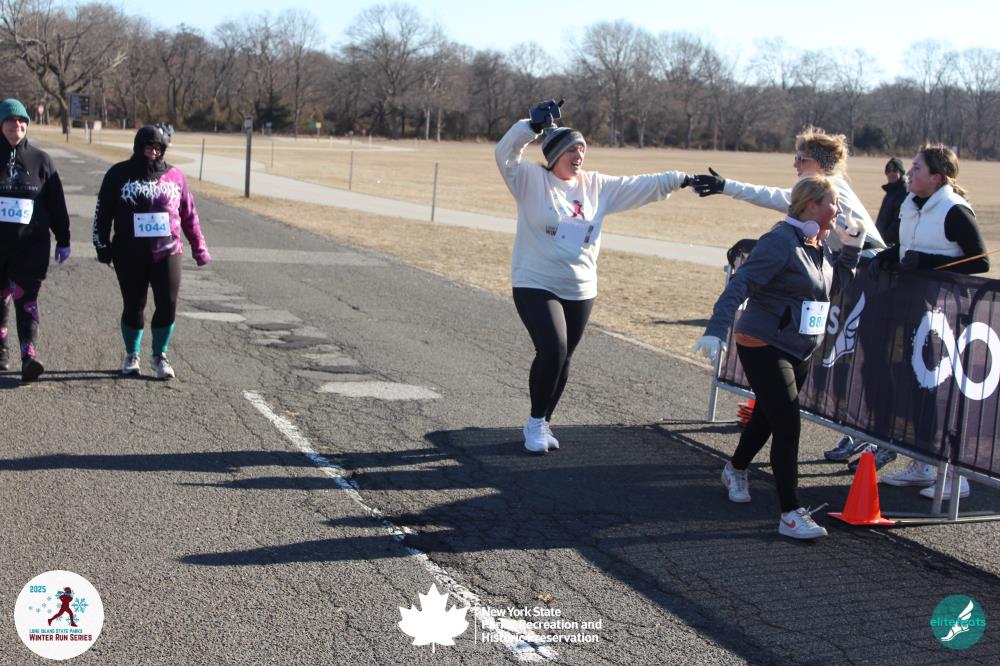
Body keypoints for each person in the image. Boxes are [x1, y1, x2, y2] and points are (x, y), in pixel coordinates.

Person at [691, 127, 894, 470]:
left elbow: (774, 196)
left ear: (821, 164)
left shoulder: (830, 190)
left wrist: (726, 186)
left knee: (865, 365)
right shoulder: (816, 198)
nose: (796, 165)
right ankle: (856, 433)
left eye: (802, 159)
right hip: (848, 287)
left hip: (872, 289)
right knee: (828, 375)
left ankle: (877, 438)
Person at [496, 99, 690, 454]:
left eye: (583, 149)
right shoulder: (530, 180)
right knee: (552, 349)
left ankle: (544, 421)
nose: (579, 155)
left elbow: (641, 185)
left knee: (564, 357)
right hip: (535, 281)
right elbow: (505, 154)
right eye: (572, 149)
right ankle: (535, 423)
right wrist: (530, 127)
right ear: (555, 154)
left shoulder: (595, 185)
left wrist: (683, 179)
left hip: (580, 287)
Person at [694, 175, 866, 539]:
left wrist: (851, 249)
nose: (839, 210)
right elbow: (741, 283)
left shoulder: (818, 243)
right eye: (834, 203)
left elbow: (833, 289)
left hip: (798, 346)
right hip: (762, 341)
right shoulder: (780, 242)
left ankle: (735, 468)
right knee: (788, 425)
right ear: (811, 205)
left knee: (767, 418)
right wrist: (716, 327)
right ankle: (790, 513)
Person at [873, 145, 989, 501]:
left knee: (942, 393)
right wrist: (891, 256)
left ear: (936, 177)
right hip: (914, 309)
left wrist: (927, 264)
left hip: (946, 315)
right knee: (916, 387)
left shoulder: (954, 209)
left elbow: (980, 262)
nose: (909, 173)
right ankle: (923, 463)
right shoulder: (910, 204)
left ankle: (956, 475)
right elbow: (910, 247)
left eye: (917, 168)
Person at [93, 125, 211, 379]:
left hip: (168, 252)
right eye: (149, 148)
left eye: (158, 148)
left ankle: (159, 356)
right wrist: (102, 245)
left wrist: (199, 247)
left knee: (167, 303)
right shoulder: (118, 174)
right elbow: (103, 212)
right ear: (138, 147)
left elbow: (189, 214)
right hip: (129, 253)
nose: (153, 152)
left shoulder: (175, 176)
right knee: (134, 305)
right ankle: (131, 354)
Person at [0, 97, 71, 382]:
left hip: (30, 247)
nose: (16, 125)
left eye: (21, 121)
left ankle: (28, 356)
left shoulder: (42, 160)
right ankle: (1, 349)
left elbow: (57, 203)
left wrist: (64, 239)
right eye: (10, 120)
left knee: (27, 299)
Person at [874, 157, 908, 246]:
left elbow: (898, 222)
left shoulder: (903, 191)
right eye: (888, 171)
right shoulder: (891, 190)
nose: (891, 173)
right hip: (883, 240)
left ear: (901, 172)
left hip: (892, 244)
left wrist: (885, 238)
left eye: (895, 170)